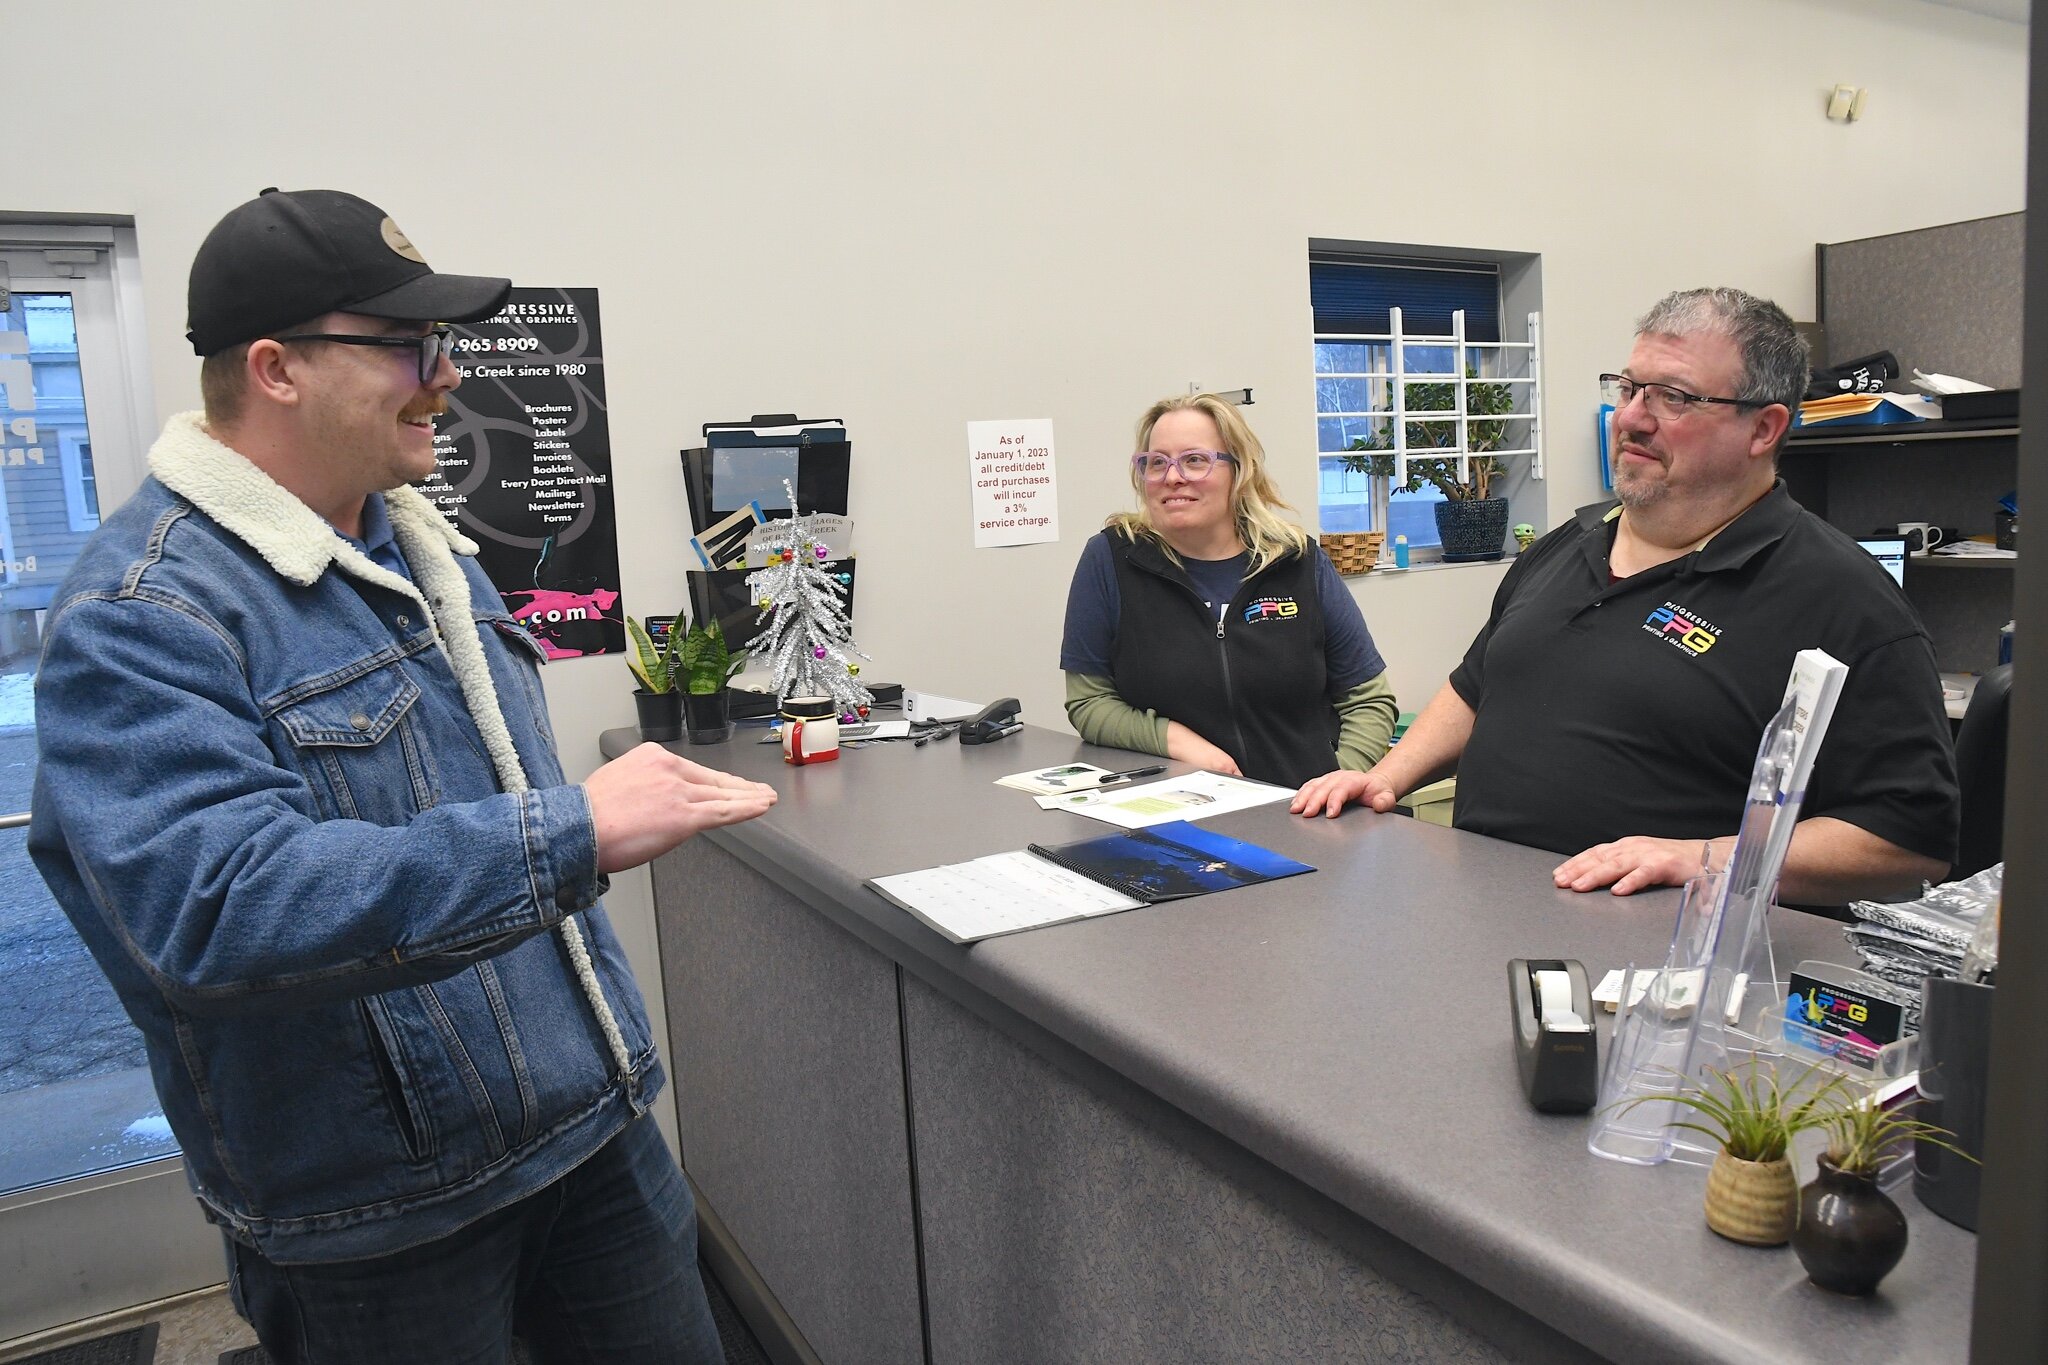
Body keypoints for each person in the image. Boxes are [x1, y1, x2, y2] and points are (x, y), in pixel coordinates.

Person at [28, 188, 778, 1364]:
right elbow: (217, 905)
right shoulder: (143, 614)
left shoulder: (418, 544)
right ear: (275, 369)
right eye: (407, 348)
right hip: (383, 1220)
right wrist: (566, 833)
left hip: (592, 1133)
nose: (446, 379)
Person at [1292, 288, 1958, 906]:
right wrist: (1386, 776)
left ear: (1764, 429)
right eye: (1630, 387)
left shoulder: (1842, 598)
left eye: (1673, 396)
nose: (1632, 417)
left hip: (1660, 970)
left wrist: (1701, 858)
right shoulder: (1566, 546)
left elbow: (1907, 842)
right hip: (1483, 915)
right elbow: (1476, 686)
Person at [1060, 392, 1397, 789]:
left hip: (1303, 814)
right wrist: (1177, 740)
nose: (1172, 477)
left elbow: (1369, 701)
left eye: (1195, 460)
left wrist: (1338, 781)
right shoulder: (1111, 559)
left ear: (1239, 471)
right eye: (1156, 462)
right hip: (1172, 816)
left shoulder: (1298, 561)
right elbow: (1089, 703)